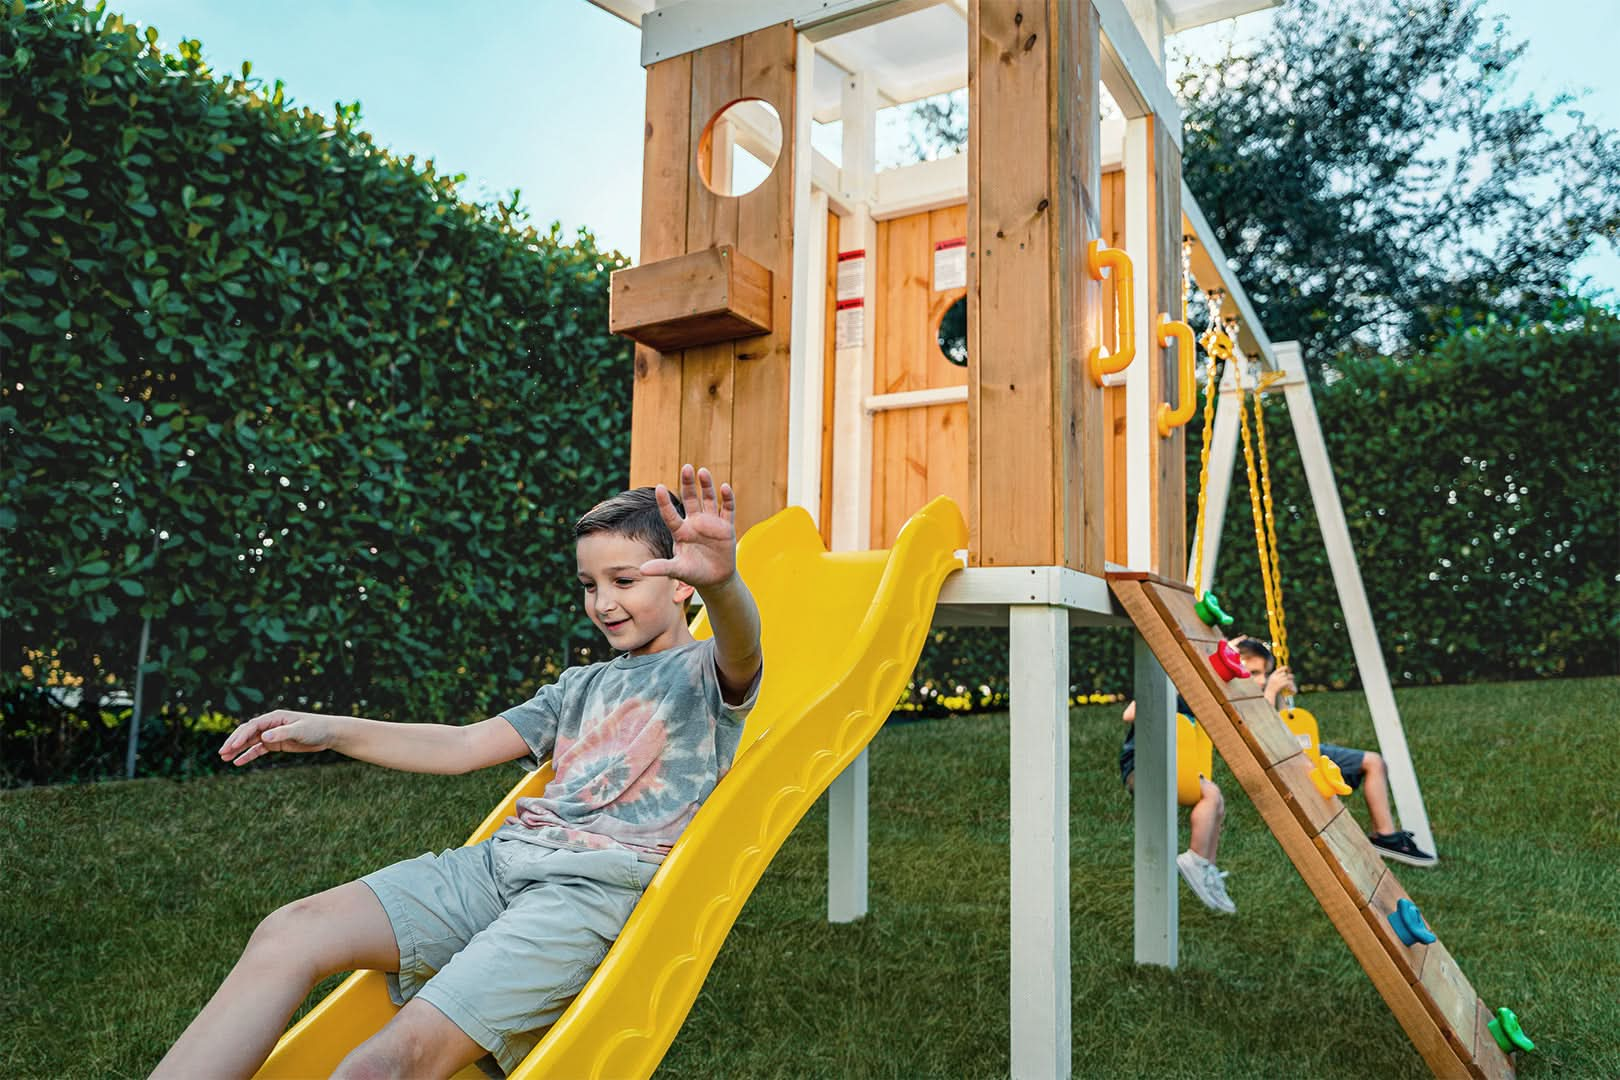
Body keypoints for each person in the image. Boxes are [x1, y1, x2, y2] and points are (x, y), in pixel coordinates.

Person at [151, 465, 764, 1080]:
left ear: (681, 584)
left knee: (381, 1066)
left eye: (624, 580)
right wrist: (328, 729)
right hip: (499, 866)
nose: (602, 603)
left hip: (586, 893)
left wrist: (724, 584)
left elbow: (741, 645)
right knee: (289, 932)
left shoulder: (705, 676)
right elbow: (462, 745)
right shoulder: (579, 686)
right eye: (588, 584)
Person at [1233, 638, 1435, 867]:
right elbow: (1260, 733)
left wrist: (1282, 695)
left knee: (1373, 762)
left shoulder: (1260, 690)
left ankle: (1385, 836)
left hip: (1297, 747)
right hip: (1282, 756)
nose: (1261, 680)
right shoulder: (1233, 693)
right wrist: (1270, 691)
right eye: (1253, 673)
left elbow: (1284, 724)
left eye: (1265, 673)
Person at [1120, 696, 1236, 914]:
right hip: (1145, 767)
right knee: (1211, 795)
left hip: (1179, 767)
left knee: (1217, 802)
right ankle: (1195, 858)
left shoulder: (1201, 702)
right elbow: (1129, 714)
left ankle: (1207, 869)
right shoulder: (1173, 695)